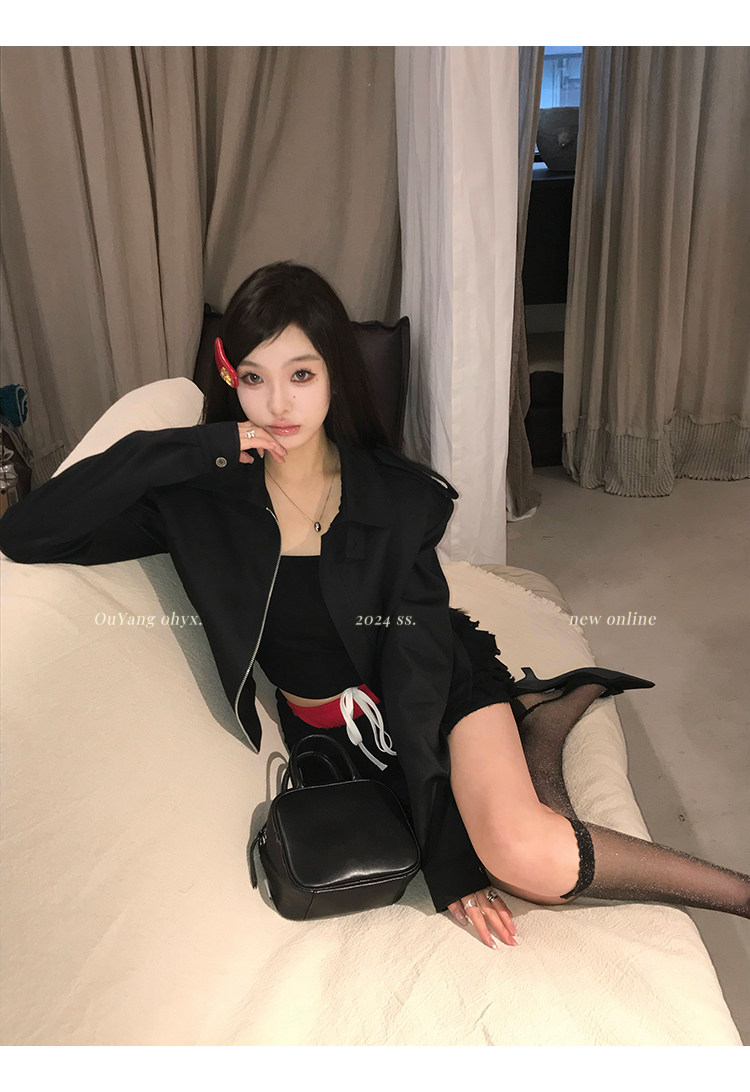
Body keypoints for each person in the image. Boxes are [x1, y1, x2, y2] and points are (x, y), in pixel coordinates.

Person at [1, 261, 748, 951]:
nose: (279, 403)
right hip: (337, 738)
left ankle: (737, 890)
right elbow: (28, 532)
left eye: (301, 374)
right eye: (254, 377)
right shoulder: (201, 498)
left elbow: (416, 665)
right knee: (508, 832)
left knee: (524, 858)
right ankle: (536, 723)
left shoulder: (393, 497)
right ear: (230, 378)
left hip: (432, 686)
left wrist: (447, 857)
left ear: (334, 375)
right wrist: (188, 450)